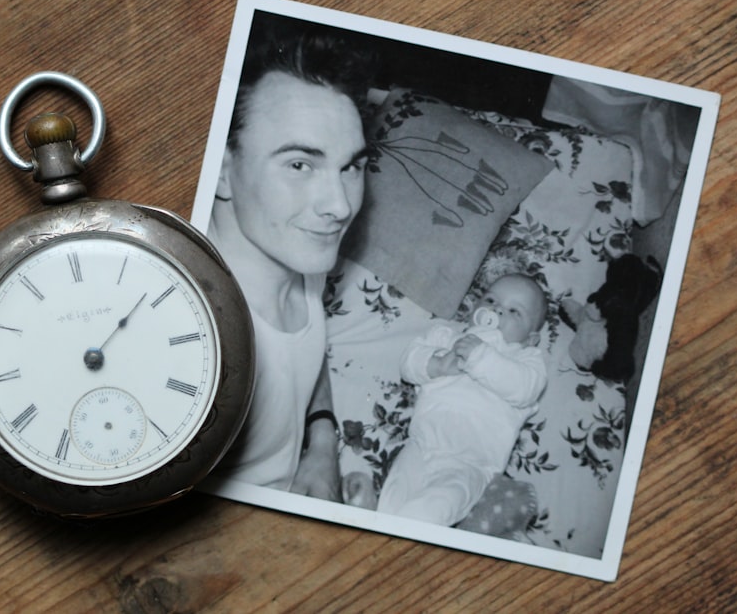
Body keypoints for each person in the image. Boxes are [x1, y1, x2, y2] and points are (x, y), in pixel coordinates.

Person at [207, 27, 375, 500]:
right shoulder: (211, 352)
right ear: (221, 171)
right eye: (300, 164)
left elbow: (305, 352)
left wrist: (321, 446)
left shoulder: (298, 250)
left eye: (351, 167)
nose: (340, 206)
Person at [344, 274, 548, 526]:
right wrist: (437, 363)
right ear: (475, 306)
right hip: (421, 444)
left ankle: (398, 529)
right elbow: (409, 361)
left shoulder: (525, 359)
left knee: (438, 505)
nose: (497, 310)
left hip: (470, 463)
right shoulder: (447, 334)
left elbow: (524, 389)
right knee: (398, 489)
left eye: (514, 311)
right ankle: (378, 517)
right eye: (491, 299)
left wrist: (481, 357)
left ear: (531, 338)